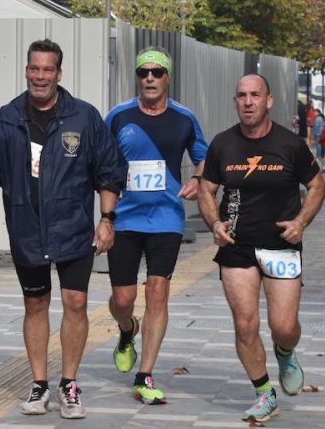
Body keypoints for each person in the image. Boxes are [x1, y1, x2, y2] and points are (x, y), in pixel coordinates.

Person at [0, 39, 126, 420]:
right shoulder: (8, 118)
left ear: (59, 73)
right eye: (34, 69)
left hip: (73, 228)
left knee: (76, 303)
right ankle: (39, 384)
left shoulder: (83, 117)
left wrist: (107, 220)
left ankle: (69, 383)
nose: (40, 76)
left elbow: (109, 170)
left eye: (48, 70)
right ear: (27, 71)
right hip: (26, 228)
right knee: (35, 304)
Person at [197, 74, 325, 424]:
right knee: (245, 324)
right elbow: (207, 190)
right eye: (242, 95)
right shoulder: (223, 144)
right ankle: (264, 393)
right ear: (235, 101)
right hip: (237, 246)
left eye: (255, 95)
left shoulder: (290, 144)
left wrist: (300, 222)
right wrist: (215, 224)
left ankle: (285, 351)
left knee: (283, 326)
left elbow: (317, 187)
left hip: (281, 246)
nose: (248, 101)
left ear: (268, 101)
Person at [104, 47, 207, 404]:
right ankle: (127, 328)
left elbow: (204, 157)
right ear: (137, 77)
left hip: (166, 217)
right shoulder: (118, 116)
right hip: (125, 217)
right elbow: (100, 159)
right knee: (123, 299)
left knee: (158, 291)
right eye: (143, 72)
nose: (150, 78)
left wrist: (198, 179)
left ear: (167, 78)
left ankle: (144, 374)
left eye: (157, 72)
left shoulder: (184, 118)